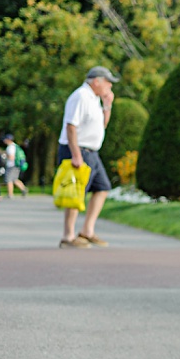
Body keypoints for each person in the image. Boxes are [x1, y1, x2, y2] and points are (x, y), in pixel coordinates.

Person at [58, 65, 116, 247]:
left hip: (92, 152)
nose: (110, 87)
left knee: (102, 187)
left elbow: (102, 127)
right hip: (77, 150)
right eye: (108, 83)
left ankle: (86, 231)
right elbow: (71, 126)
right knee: (76, 194)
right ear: (96, 81)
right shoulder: (81, 96)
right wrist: (76, 155)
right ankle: (68, 237)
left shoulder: (95, 99)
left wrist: (107, 106)